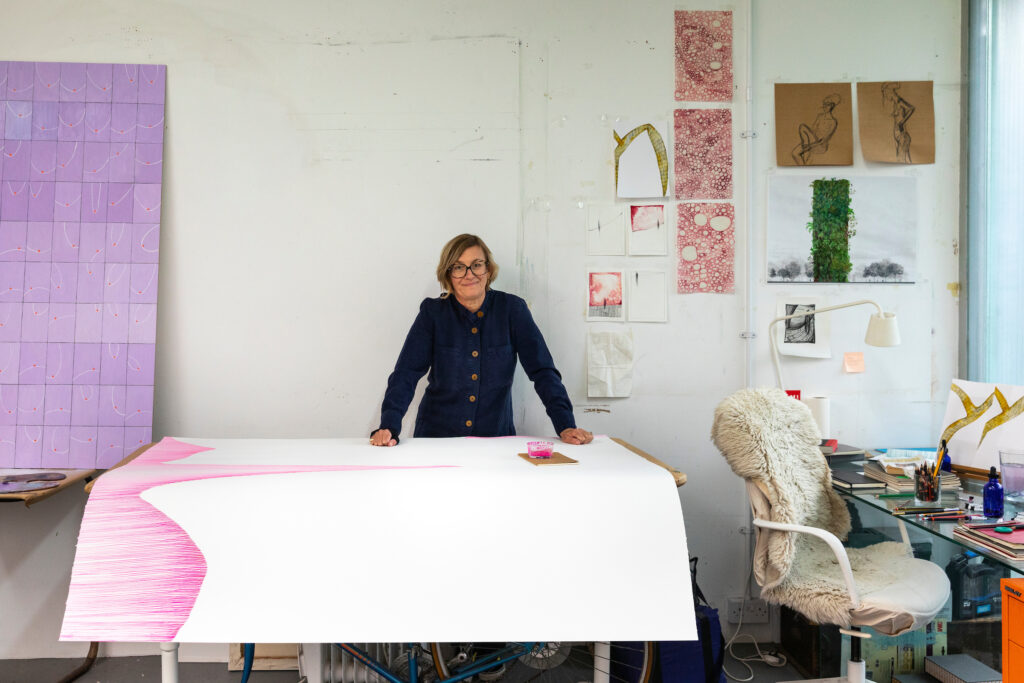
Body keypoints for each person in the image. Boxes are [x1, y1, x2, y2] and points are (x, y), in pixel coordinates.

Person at [370, 234, 592, 447]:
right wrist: (389, 425)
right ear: (448, 274)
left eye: (477, 264)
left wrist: (565, 425)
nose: (469, 274)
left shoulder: (512, 310)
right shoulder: (433, 313)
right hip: (436, 439)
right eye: (459, 267)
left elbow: (542, 371)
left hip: (495, 441)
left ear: (488, 269)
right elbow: (406, 373)